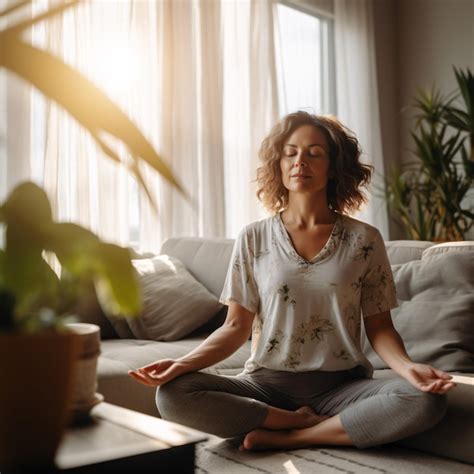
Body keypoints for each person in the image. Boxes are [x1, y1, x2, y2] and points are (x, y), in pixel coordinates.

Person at [128, 111, 455, 451]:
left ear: (333, 167)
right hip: (265, 385)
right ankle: (298, 421)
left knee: (423, 400)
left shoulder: (365, 240)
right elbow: (235, 327)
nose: (301, 161)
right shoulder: (253, 237)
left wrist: (408, 367)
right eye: (291, 152)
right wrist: (181, 364)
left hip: (342, 387)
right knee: (173, 394)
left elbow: (380, 328)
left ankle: (291, 437)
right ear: (279, 164)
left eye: (314, 153)